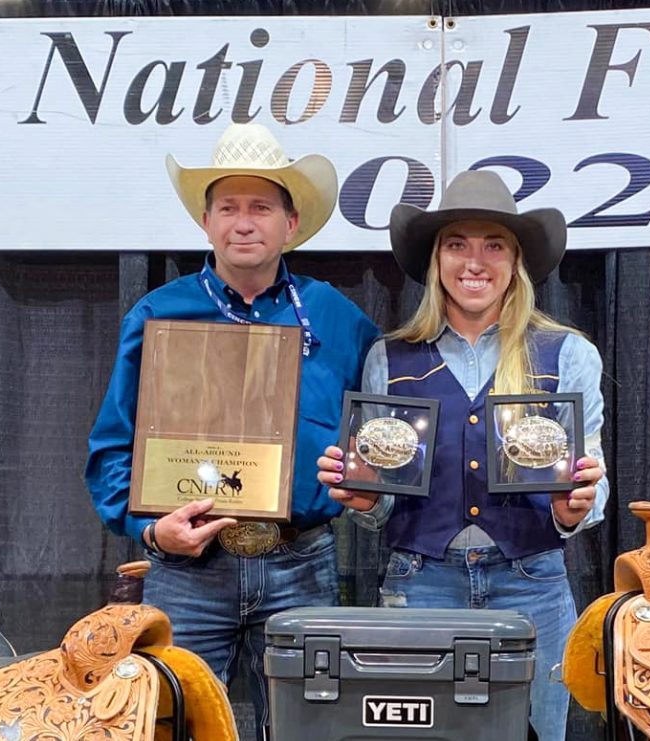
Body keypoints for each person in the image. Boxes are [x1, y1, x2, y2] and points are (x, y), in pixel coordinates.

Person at [84, 122, 379, 735]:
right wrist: (152, 532)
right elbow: (113, 448)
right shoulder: (159, 314)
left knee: (309, 730)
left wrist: (370, 476)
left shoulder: (339, 320)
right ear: (206, 221)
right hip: (189, 573)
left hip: (301, 563)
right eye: (228, 207)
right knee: (179, 726)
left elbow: (384, 433)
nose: (244, 222)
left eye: (261, 207)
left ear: (290, 224)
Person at [317, 170, 609, 741]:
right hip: (420, 582)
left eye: (493, 245)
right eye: (457, 245)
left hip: (533, 584)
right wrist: (365, 497)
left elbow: (591, 487)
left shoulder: (567, 354)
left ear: (516, 261)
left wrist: (575, 505)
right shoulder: (390, 356)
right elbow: (379, 505)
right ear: (436, 261)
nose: (475, 262)